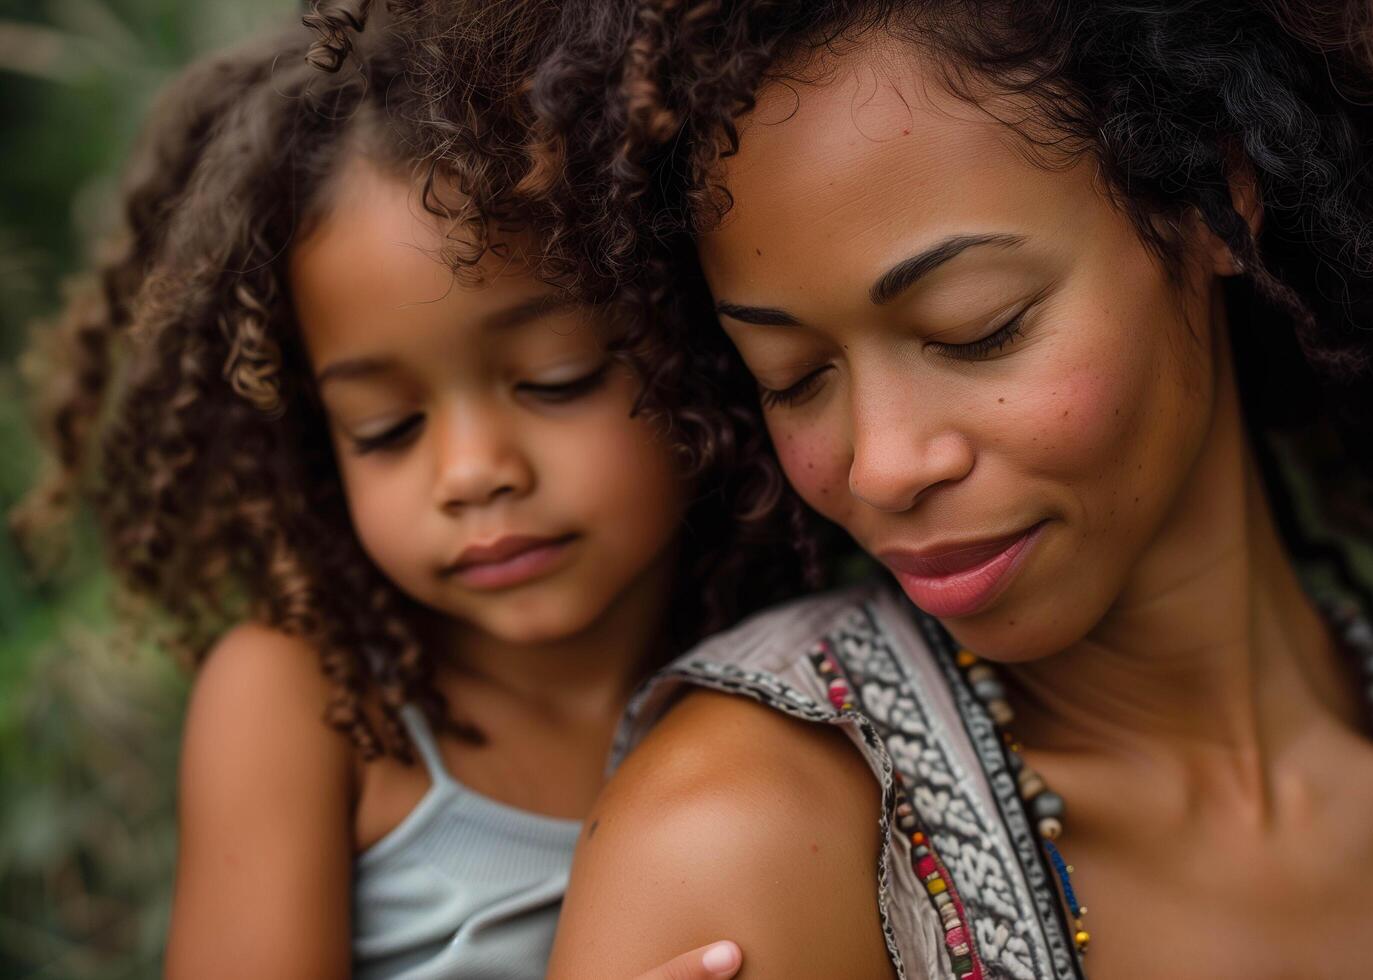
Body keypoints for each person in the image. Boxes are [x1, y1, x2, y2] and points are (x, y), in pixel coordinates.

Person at [386, 0, 1373, 976]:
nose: (882, 464)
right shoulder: (747, 834)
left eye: (977, 329)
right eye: (795, 376)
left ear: (1210, 195)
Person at [13, 16, 797, 980]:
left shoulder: (805, 660)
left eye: (555, 380)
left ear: (691, 349)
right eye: (384, 428)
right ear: (313, 441)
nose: (470, 473)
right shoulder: (310, 702)